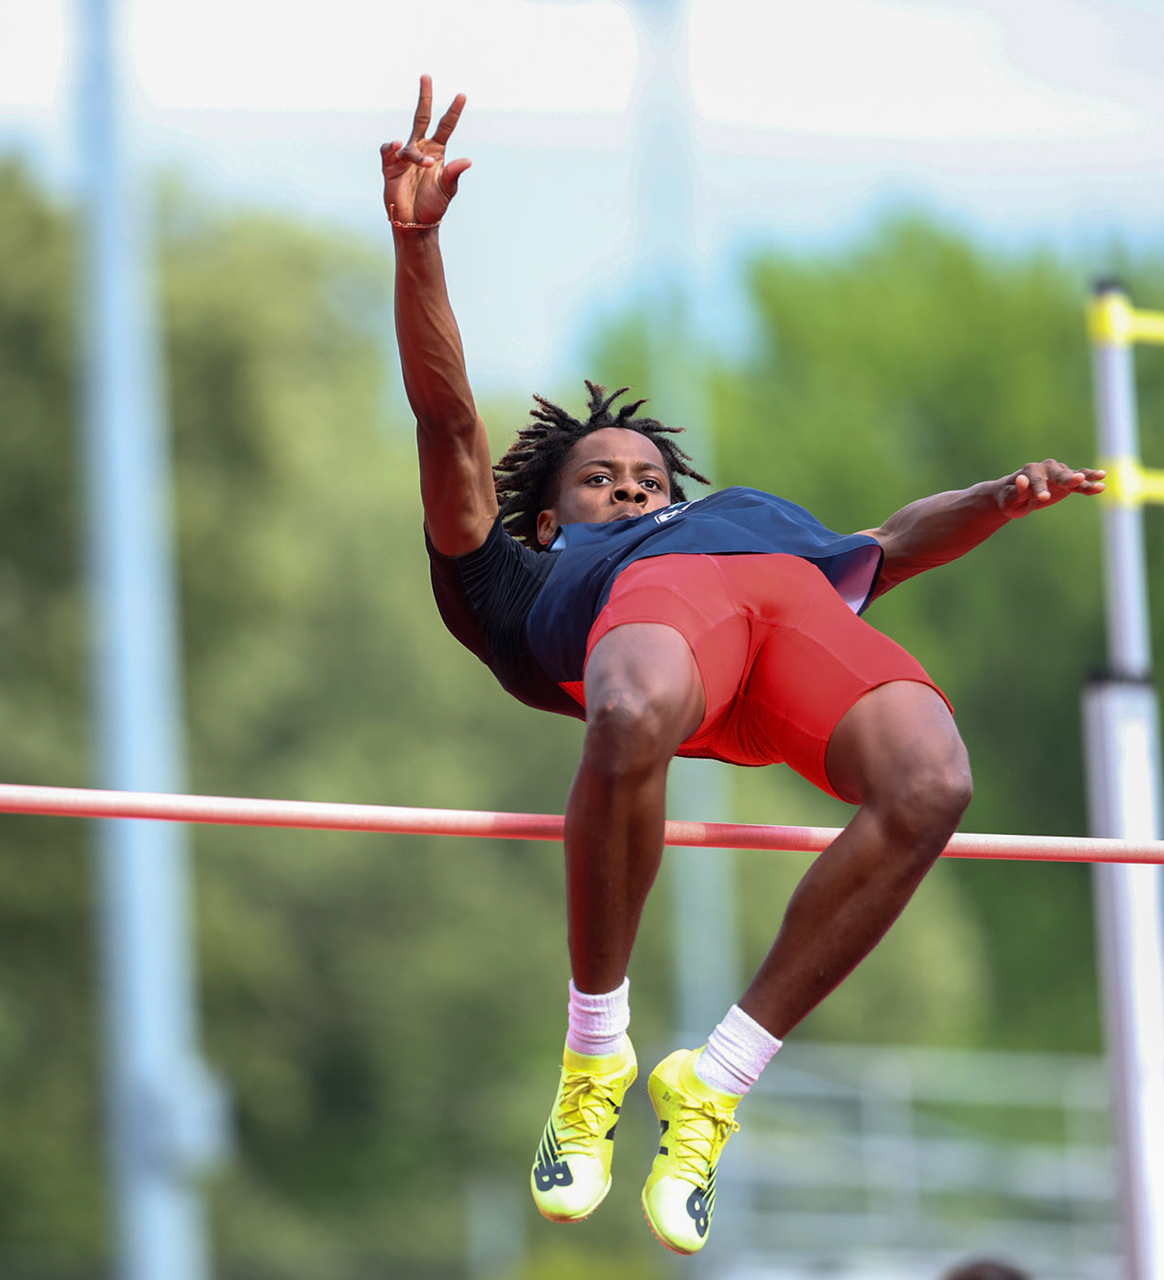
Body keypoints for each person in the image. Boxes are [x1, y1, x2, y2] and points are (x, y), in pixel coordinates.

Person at [381, 76, 1106, 1255]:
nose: (632, 487)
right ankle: (594, 1053)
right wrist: (418, 247)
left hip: (785, 613)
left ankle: (713, 1080)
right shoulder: (513, 575)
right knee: (631, 709)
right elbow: (448, 420)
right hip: (661, 631)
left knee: (933, 780)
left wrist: (1000, 497)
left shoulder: (752, 522)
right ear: (551, 518)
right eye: (601, 479)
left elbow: (894, 540)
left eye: (650, 477)